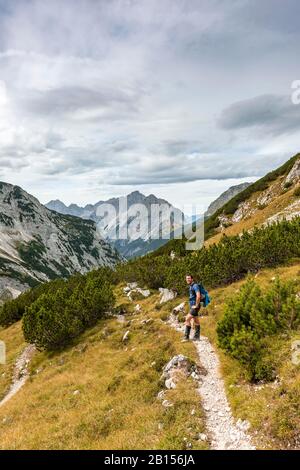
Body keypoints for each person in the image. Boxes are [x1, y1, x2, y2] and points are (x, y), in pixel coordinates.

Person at [182, 274, 201, 342]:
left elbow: (198, 296)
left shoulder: (195, 286)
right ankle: (197, 337)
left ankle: (186, 337)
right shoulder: (191, 286)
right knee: (196, 320)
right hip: (193, 306)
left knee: (187, 319)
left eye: (189, 278)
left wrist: (196, 305)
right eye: (187, 278)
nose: (187, 280)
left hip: (195, 306)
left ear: (192, 279)